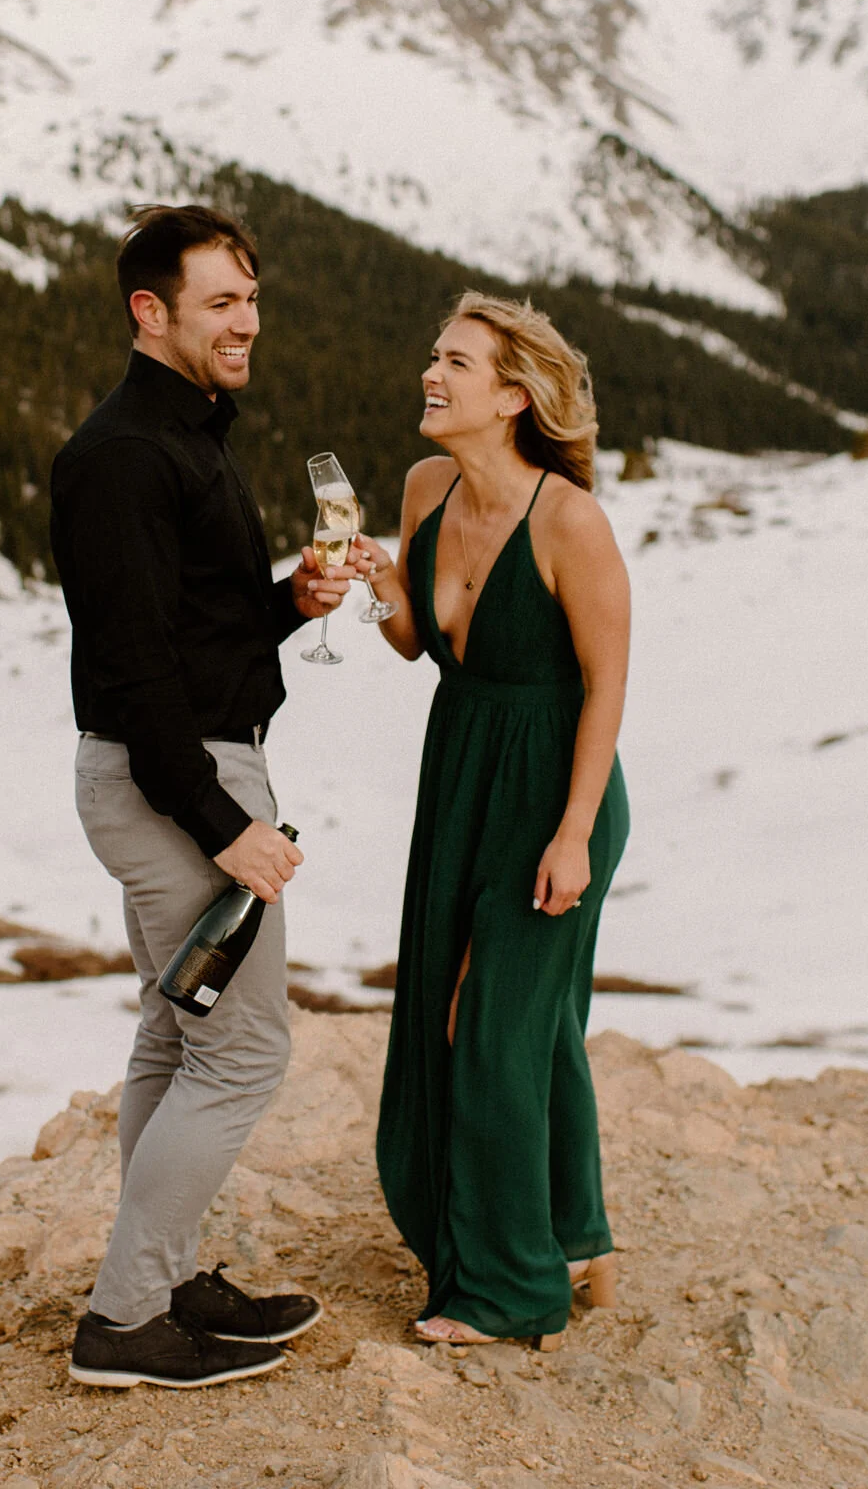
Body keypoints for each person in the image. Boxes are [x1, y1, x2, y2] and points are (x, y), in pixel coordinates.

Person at [49, 204, 356, 1389]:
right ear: (151, 310)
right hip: (175, 779)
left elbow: (185, 627)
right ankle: (127, 1319)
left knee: (177, 1030)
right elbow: (135, 675)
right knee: (243, 1050)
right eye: (222, 301)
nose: (248, 321)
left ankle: (164, 1278)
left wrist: (287, 602)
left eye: (252, 298)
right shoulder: (124, 457)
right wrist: (228, 829)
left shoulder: (185, 435)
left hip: (189, 765)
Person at [352, 291, 633, 1348]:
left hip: (555, 791)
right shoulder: (427, 487)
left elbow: (606, 685)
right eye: (435, 355)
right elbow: (417, 640)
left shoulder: (569, 522)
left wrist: (573, 834)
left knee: (492, 1026)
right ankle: (578, 1237)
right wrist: (378, 580)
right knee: (517, 1020)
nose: (431, 374)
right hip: (461, 772)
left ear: (513, 398)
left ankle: (510, 1291)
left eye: (456, 363)